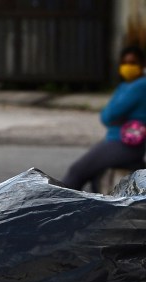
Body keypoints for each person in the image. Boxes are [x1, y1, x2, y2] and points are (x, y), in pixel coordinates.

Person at [62, 45, 146, 191]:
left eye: (133, 63)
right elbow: (106, 117)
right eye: (125, 63)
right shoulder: (125, 86)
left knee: (76, 172)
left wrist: (114, 117)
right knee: (96, 179)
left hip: (125, 144)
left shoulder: (141, 85)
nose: (128, 67)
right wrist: (113, 116)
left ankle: (62, 208)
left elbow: (111, 114)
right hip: (116, 140)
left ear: (142, 65)